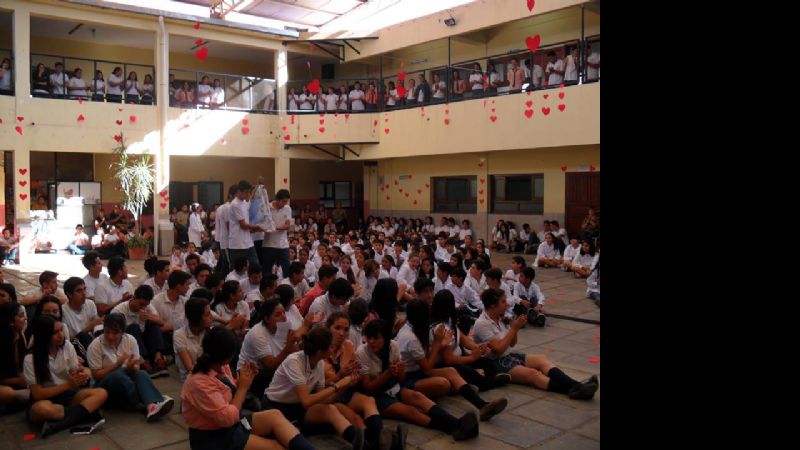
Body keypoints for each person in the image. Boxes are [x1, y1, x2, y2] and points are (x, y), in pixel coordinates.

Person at [182, 326, 317, 450]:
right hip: (214, 437)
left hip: (233, 423)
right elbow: (227, 418)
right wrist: (243, 387)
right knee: (276, 447)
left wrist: (244, 379)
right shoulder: (199, 382)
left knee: (274, 415)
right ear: (227, 357)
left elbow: (225, 392)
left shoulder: (220, 366)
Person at [472, 288, 598, 399]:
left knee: (541, 359)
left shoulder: (500, 317)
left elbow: (512, 343)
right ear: (493, 306)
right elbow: (499, 350)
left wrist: (514, 329)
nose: (507, 304)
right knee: (533, 375)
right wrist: (514, 329)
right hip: (495, 363)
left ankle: (577, 386)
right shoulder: (482, 324)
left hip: (509, 355)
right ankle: (575, 390)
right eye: (503, 302)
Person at [24, 315, 108, 438]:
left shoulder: (67, 346)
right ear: (44, 335)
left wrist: (80, 375)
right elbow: (38, 394)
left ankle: (58, 425)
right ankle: (84, 413)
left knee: (101, 393)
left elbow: (74, 372)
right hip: (45, 400)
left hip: (68, 396)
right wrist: (69, 384)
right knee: (43, 410)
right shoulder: (30, 358)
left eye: (61, 330)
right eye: (55, 332)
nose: (61, 335)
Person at [87, 313, 174, 421]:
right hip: (103, 386)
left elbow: (137, 367)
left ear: (122, 332)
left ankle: (151, 406)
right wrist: (116, 365)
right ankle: (151, 401)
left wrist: (132, 367)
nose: (110, 336)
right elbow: (96, 376)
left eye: (115, 333)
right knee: (118, 376)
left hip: (126, 381)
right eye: (107, 332)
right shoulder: (95, 345)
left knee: (141, 374)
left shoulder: (130, 340)